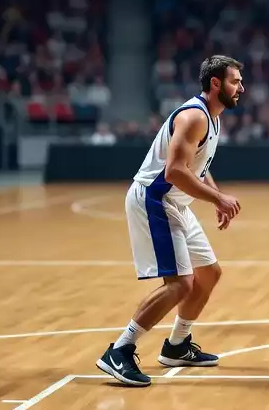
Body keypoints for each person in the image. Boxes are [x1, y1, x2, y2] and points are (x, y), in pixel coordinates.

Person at [96, 55, 244, 387]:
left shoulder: (213, 118)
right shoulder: (194, 117)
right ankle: (119, 350)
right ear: (216, 83)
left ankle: (177, 345)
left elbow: (197, 167)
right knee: (180, 284)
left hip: (176, 203)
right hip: (154, 200)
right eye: (235, 81)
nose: (241, 88)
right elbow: (174, 171)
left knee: (209, 273)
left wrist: (215, 194)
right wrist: (218, 199)